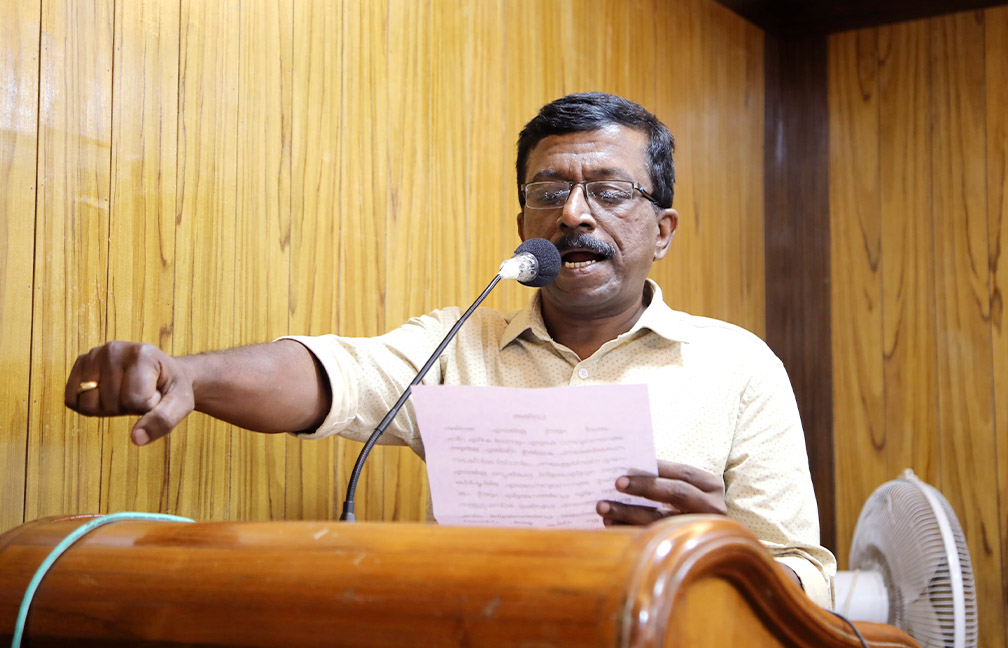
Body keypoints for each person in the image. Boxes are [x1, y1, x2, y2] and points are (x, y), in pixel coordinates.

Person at [65, 92, 836, 607]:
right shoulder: (458, 342)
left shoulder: (738, 366)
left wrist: (720, 551)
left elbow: (805, 577)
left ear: (661, 231)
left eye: (609, 190)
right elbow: (332, 377)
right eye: (548, 191)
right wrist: (190, 375)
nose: (573, 213)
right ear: (524, 223)